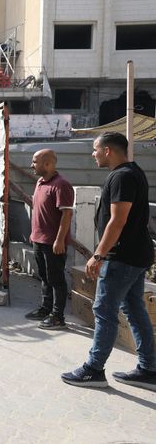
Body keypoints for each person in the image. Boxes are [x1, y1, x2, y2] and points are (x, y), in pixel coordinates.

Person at [62, 132, 156, 389]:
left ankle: (94, 369)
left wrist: (98, 254)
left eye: (96, 150)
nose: (93, 154)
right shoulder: (133, 171)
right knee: (135, 309)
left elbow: (118, 220)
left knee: (104, 310)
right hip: (135, 255)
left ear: (108, 151)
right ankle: (149, 369)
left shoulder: (123, 176)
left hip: (122, 257)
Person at [24, 149, 74, 330]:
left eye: (34, 161)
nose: (31, 165)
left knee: (56, 279)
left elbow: (67, 214)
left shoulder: (61, 185)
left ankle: (58, 316)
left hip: (53, 242)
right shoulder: (40, 182)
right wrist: (34, 235)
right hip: (38, 239)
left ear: (47, 164)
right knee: (44, 277)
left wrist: (60, 240)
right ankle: (45, 309)